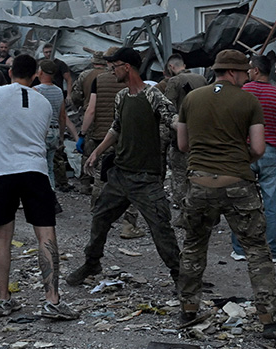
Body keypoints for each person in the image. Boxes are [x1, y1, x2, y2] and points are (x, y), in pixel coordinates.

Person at [176, 49, 276, 341]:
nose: (247, 76)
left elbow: (182, 144)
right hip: (237, 184)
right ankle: (270, 321)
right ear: (232, 72)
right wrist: (237, 159)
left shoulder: (192, 99)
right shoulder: (248, 100)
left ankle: (188, 310)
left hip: (199, 183)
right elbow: (258, 148)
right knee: (257, 251)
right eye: (244, 72)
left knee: (193, 247)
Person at [0, 55, 74, 318]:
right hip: (35, 170)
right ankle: (52, 300)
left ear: (10, 72)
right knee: (46, 235)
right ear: (35, 75)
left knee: (3, 237)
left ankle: (4, 299)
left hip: (3, 172)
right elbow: (40, 133)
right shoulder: (43, 102)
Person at [67, 48, 181, 287]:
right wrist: (97, 152)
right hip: (120, 174)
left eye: (115, 66)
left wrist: (187, 129)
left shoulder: (152, 95)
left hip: (146, 178)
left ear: (127, 67)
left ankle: (180, 276)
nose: (112, 71)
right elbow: (116, 128)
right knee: (100, 218)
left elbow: (172, 119)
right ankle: (92, 263)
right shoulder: (121, 96)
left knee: (161, 228)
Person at [231, 55, 276, 263]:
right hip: (269, 151)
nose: (248, 72)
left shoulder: (242, 91)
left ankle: (240, 249)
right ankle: (274, 251)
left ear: (256, 71)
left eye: (250, 69)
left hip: (244, 151)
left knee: (240, 202)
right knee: (271, 203)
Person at [81, 48, 142, 237]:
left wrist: (82, 133)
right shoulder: (134, 84)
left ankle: (97, 213)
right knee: (130, 178)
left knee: (101, 176)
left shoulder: (98, 80)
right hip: (127, 139)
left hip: (102, 135)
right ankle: (128, 224)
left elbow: (91, 110)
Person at [158, 54, 207, 214]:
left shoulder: (174, 81)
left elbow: (167, 109)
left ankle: (183, 213)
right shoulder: (202, 79)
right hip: (201, 136)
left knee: (180, 176)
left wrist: (165, 136)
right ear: (184, 65)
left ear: (171, 67)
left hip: (181, 137)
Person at [34, 58, 77, 193]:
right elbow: (62, 116)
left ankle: (40, 195)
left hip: (41, 132)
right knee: (50, 167)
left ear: (41, 72)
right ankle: (51, 194)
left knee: (38, 168)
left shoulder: (36, 91)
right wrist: (61, 136)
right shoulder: (58, 91)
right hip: (54, 132)